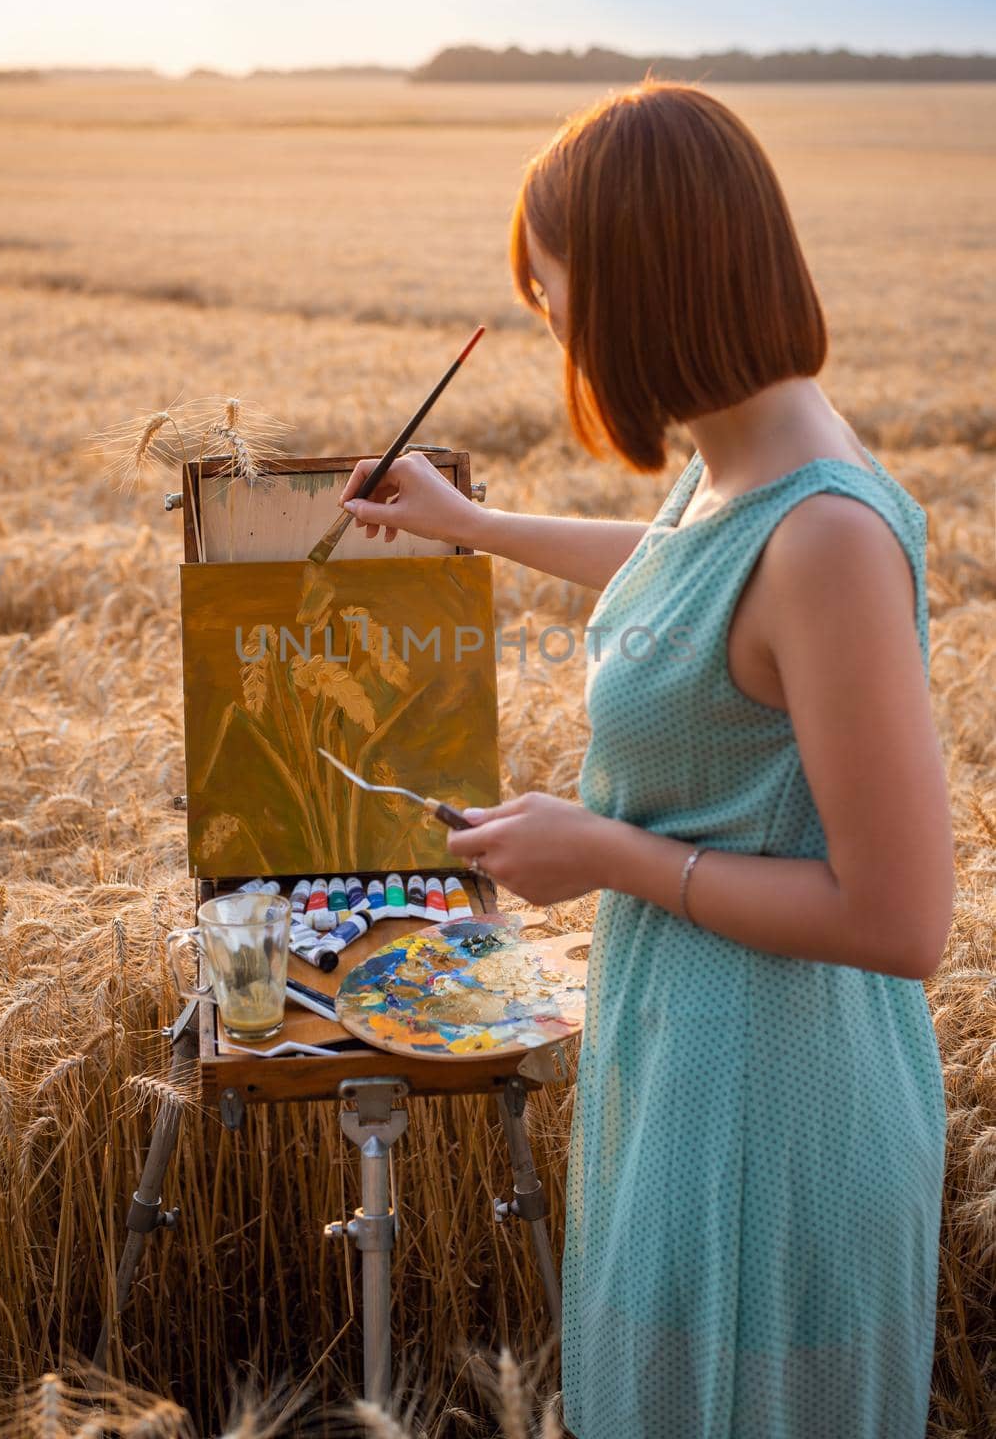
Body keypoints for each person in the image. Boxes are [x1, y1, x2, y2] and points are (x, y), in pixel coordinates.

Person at [337, 79, 953, 1439]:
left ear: (639, 284)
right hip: (686, 1067)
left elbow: (905, 922)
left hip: (773, 1120)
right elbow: (697, 586)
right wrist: (472, 526)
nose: (550, 321)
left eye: (552, 289)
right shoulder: (743, 464)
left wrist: (605, 853)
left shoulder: (830, 533)